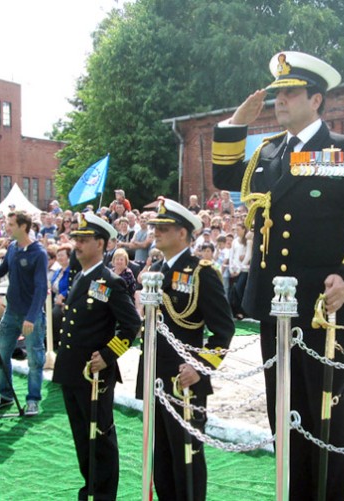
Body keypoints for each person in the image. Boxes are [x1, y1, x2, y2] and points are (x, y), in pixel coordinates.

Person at [211, 51, 344, 501]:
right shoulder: (270, 151)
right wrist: (237, 122)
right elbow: (224, 176)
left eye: (289, 93)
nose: (279, 101)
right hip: (277, 306)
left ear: (316, 100)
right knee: (284, 410)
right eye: (276, 94)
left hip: (321, 307)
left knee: (324, 412)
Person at [136, 198, 235, 500]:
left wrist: (200, 367)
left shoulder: (200, 272)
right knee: (162, 459)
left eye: (164, 228)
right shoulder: (155, 271)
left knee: (187, 460)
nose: (157, 232)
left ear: (183, 233)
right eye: (155, 227)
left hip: (184, 382)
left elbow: (223, 329)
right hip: (156, 375)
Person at [52, 213, 141, 500]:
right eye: (76, 238)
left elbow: (131, 325)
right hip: (72, 371)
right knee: (81, 436)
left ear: (101, 244)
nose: (76, 244)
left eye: (83, 239)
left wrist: (107, 355)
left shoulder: (109, 281)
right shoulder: (79, 276)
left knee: (100, 437)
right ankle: (89, 487)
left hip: (94, 375)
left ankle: (103, 495)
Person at [0, 211, 48, 416]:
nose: (7, 228)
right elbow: (0, 270)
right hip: (11, 312)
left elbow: (40, 288)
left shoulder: (38, 252)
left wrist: (30, 317)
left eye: (11, 224)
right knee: (1, 354)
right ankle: (5, 396)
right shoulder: (12, 248)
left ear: (23, 227)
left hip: (32, 315)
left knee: (34, 359)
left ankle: (33, 400)